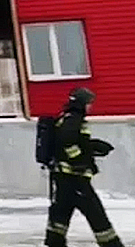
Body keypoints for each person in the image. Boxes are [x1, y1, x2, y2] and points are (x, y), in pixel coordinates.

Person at [44, 87, 123, 247]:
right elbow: (67, 141)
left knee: (60, 216)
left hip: (63, 178)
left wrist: (93, 146)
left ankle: (54, 243)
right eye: (89, 103)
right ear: (82, 103)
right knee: (96, 215)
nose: (90, 106)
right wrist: (79, 160)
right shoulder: (74, 118)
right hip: (75, 178)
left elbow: (69, 141)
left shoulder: (67, 117)